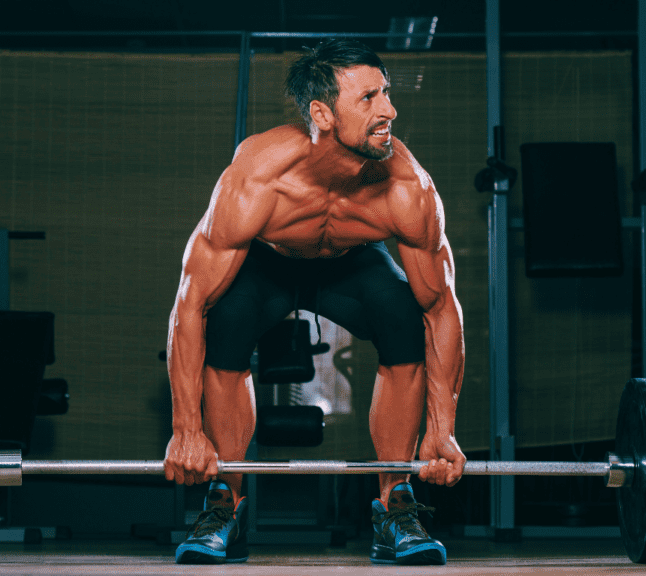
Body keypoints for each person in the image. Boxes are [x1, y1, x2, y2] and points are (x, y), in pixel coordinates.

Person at [163, 38, 467, 565]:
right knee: (227, 322)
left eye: (387, 93)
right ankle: (224, 503)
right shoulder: (259, 177)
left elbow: (441, 308)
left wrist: (442, 429)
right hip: (267, 264)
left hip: (351, 263)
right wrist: (186, 431)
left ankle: (394, 502)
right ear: (321, 114)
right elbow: (189, 305)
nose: (389, 110)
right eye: (368, 98)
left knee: (402, 316)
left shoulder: (406, 188)